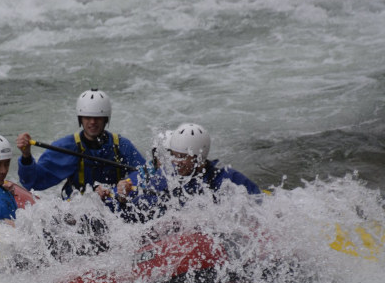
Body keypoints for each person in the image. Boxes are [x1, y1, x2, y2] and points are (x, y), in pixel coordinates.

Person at [15, 88, 146, 208]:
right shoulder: (67, 147)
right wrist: (26, 157)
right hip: (81, 213)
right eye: (88, 117)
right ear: (80, 119)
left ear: (106, 119)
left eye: (97, 118)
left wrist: (125, 185)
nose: (92, 122)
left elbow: (145, 174)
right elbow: (34, 182)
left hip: (116, 209)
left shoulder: (121, 146)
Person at [121, 123, 261, 222]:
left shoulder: (228, 178)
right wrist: (123, 199)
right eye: (174, 155)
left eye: (182, 156)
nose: (176, 162)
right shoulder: (166, 177)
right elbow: (137, 214)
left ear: (199, 158)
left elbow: (259, 209)